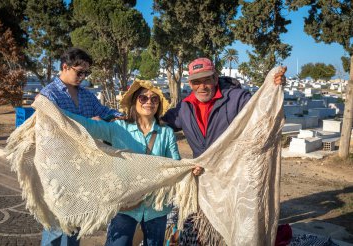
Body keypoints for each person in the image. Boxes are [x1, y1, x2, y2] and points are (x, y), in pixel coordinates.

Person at [61, 79, 202, 246]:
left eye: (154, 99)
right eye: (143, 98)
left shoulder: (166, 133)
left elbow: (175, 164)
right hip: (125, 205)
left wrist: (189, 169)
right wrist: (56, 113)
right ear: (135, 101)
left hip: (156, 207)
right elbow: (88, 126)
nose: (149, 102)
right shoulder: (119, 128)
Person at [161, 57, 286, 244]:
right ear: (190, 83)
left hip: (232, 181)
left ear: (215, 78)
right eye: (196, 82)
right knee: (200, 232)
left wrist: (272, 89)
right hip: (202, 182)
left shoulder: (236, 98)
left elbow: (260, 111)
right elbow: (161, 125)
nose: (202, 86)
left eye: (207, 80)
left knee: (231, 230)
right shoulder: (184, 107)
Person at [39, 47, 122, 246]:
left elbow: (103, 111)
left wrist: (121, 115)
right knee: (56, 227)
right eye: (80, 72)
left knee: (75, 224)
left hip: (82, 170)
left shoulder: (86, 95)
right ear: (65, 67)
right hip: (57, 170)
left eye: (86, 73)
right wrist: (87, 123)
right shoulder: (48, 95)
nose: (83, 77)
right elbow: (51, 130)